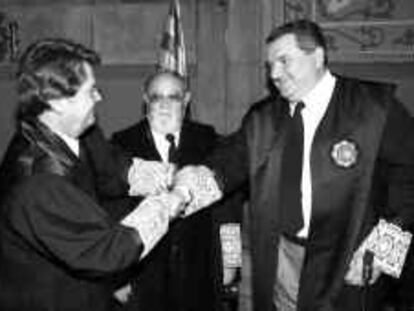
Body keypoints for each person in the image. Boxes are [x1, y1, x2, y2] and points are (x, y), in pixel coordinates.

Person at [171, 19, 414, 311]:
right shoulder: (263, 117)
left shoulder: (375, 106)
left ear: (318, 57)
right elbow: (230, 161)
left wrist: (386, 250)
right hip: (280, 256)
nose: (274, 73)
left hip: (349, 254)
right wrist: (195, 180)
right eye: (270, 64)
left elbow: (409, 179)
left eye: (284, 61)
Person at [0, 38, 183, 311]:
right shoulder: (37, 180)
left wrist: (164, 174)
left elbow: (113, 168)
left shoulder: (80, 130)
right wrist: (172, 201)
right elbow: (109, 249)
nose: (99, 97)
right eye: (91, 90)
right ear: (57, 102)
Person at [110, 70, 244, 311]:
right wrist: (117, 277)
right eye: (156, 97)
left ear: (186, 100)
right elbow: (112, 215)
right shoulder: (120, 146)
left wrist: (231, 264)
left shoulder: (210, 142)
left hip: (200, 274)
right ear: (145, 100)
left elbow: (230, 210)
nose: (163, 104)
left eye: (173, 97)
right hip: (143, 278)